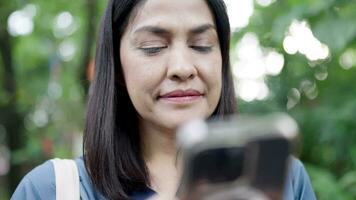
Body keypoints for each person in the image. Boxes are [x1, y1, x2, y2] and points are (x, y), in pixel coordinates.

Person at [11, 0, 316, 199]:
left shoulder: (283, 180)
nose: (183, 68)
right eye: (154, 47)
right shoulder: (50, 189)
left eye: (201, 44)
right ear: (116, 67)